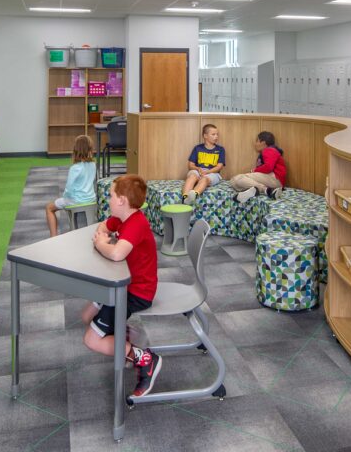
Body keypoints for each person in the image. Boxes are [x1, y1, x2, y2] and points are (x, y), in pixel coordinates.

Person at [80, 174, 163, 398]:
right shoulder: (123, 218)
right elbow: (103, 227)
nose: (107, 199)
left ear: (122, 200)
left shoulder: (136, 224)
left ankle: (146, 360)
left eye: (111, 195)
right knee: (86, 315)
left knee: (91, 339)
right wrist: (103, 236)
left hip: (136, 292)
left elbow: (116, 254)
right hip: (123, 285)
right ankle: (126, 337)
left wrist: (100, 245)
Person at [45, 134, 97, 237]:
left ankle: (53, 238)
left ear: (75, 150)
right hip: (91, 199)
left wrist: (65, 199)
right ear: (90, 149)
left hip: (75, 200)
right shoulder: (93, 165)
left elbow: (68, 189)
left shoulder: (75, 168)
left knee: (49, 208)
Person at [231, 130, 287, 203]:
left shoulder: (269, 150)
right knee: (234, 182)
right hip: (273, 180)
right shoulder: (270, 151)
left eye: (257, 141)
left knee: (238, 178)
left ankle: (266, 190)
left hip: (275, 179)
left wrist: (254, 171)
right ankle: (255, 190)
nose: (255, 144)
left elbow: (268, 167)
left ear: (263, 142)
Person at [182, 123, 226, 205]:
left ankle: (193, 195)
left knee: (204, 179)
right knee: (192, 176)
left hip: (213, 173)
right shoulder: (197, 148)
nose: (216, 136)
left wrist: (207, 172)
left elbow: (219, 166)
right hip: (198, 171)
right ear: (205, 136)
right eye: (213, 134)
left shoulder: (220, 149)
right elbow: (190, 165)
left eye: (217, 134)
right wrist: (198, 169)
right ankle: (185, 198)